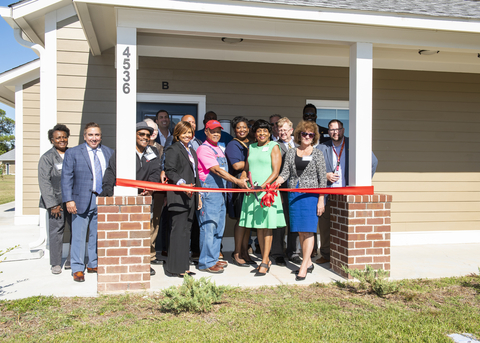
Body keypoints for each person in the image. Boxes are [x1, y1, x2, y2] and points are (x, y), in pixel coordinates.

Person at [100, 122, 161, 275]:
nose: (145, 138)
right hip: (125, 198)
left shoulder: (152, 151)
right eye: (141, 134)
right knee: (125, 232)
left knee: (144, 232)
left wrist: (150, 190)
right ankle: (124, 263)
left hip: (144, 198)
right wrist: (107, 189)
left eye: (147, 135)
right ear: (134, 135)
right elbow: (111, 171)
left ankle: (143, 263)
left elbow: (155, 172)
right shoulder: (123, 151)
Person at [316, 119, 378, 265]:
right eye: (331, 129)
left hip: (347, 193)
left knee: (346, 225)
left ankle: (345, 253)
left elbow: (373, 161)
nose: (335, 132)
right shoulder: (321, 148)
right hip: (328, 193)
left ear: (343, 130)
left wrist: (363, 181)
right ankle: (326, 254)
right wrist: (326, 175)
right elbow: (314, 171)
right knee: (325, 226)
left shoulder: (354, 145)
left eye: (337, 129)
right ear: (328, 131)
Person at [61, 122, 114, 282]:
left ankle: (93, 263)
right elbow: (66, 178)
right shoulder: (74, 153)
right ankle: (77, 267)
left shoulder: (109, 152)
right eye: (90, 135)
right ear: (85, 136)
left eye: (97, 135)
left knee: (96, 234)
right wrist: (69, 200)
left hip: (101, 199)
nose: (94, 138)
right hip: (80, 199)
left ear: (100, 136)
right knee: (78, 235)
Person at [276, 120, 327, 281]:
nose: (307, 137)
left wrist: (321, 200)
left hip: (311, 197)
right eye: (304, 134)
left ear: (314, 137)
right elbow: (285, 174)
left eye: (310, 135)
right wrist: (274, 183)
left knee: (308, 230)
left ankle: (304, 265)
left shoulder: (318, 154)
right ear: (298, 135)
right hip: (294, 195)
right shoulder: (291, 153)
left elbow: (322, 180)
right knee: (299, 231)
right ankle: (309, 261)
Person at [196, 120, 247, 273]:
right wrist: (237, 181)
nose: (216, 133)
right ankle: (206, 262)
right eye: (213, 131)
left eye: (218, 131)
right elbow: (217, 170)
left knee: (219, 228)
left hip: (220, 193)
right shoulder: (204, 149)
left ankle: (213, 258)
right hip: (210, 193)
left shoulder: (218, 148)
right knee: (208, 227)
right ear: (206, 132)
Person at [239, 119, 286, 277]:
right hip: (252, 193)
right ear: (255, 133)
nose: (262, 133)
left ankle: (265, 260)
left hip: (267, 193)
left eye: (265, 131)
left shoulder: (274, 146)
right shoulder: (251, 147)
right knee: (259, 226)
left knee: (267, 226)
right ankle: (265, 259)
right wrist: (243, 179)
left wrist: (263, 186)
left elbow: (275, 172)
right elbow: (247, 168)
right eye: (259, 131)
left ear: (269, 132)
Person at [164, 122, 202, 277]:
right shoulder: (173, 149)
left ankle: (183, 267)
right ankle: (174, 268)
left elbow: (196, 175)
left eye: (190, 132)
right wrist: (182, 184)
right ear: (177, 134)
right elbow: (170, 171)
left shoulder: (191, 151)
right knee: (178, 232)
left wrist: (198, 196)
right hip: (179, 197)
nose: (187, 135)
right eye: (184, 132)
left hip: (191, 197)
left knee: (186, 231)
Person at [38, 124, 72, 274]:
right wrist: (52, 205)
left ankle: (72, 260)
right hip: (56, 202)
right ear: (52, 140)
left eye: (64, 137)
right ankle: (56, 263)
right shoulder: (47, 158)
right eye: (58, 137)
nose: (62, 140)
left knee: (75, 230)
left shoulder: (73, 154)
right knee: (56, 232)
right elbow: (44, 182)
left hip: (72, 200)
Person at [269, 117, 300, 266]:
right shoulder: (274, 146)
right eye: (280, 130)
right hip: (280, 190)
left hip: (296, 190)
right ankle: (277, 253)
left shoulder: (299, 145)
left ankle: (293, 252)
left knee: (294, 222)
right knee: (280, 224)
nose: (282, 132)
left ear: (291, 131)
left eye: (285, 130)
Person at [225, 116, 256, 267]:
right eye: (239, 127)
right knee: (241, 220)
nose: (242, 130)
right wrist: (255, 160)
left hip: (250, 185)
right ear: (234, 129)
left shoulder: (250, 143)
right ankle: (236, 253)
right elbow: (237, 166)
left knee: (248, 220)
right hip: (239, 185)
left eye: (245, 127)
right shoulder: (233, 144)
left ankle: (245, 251)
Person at [144, 118, 165, 267]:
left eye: (155, 130)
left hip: (158, 193)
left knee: (155, 224)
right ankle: (143, 255)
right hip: (143, 192)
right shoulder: (138, 147)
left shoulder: (161, 148)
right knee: (144, 224)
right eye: (149, 130)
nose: (152, 133)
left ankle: (151, 254)